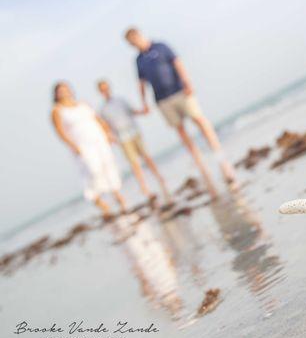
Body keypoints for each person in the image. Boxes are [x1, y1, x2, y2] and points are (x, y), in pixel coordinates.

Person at [124, 27, 236, 197]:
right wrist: (144, 103)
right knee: (180, 129)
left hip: (179, 91)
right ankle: (198, 160)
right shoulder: (139, 60)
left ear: (139, 35)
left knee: (199, 120)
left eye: (135, 40)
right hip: (162, 99)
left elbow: (177, 62)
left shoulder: (160, 46)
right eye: (131, 44)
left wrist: (187, 81)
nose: (135, 45)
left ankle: (218, 153)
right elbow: (141, 83)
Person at [50, 81, 126, 217]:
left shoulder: (82, 104)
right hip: (82, 145)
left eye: (66, 89)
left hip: (98, 139)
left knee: (108, 165)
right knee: (93, 171)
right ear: (56, 94)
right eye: (60, 90)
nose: (64, 92)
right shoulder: (57, 110)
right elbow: (60, 131)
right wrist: (72, 145)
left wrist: (108, 133)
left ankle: (118, 196)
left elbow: (97, 119)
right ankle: (96, 199)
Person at [97, 79, 169, 200]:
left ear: (109, 88)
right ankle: (143, 186)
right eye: (102, 89)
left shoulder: (120, 100)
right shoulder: (102, 109)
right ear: (100, 92)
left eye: (106, 88)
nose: (105, 91)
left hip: (134, 132)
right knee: (134, 163)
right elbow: (105, 126)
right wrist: (109, 137)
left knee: (146, 156)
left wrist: (142, 111)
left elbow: (132, 111)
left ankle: (159, 177)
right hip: (122, 137)